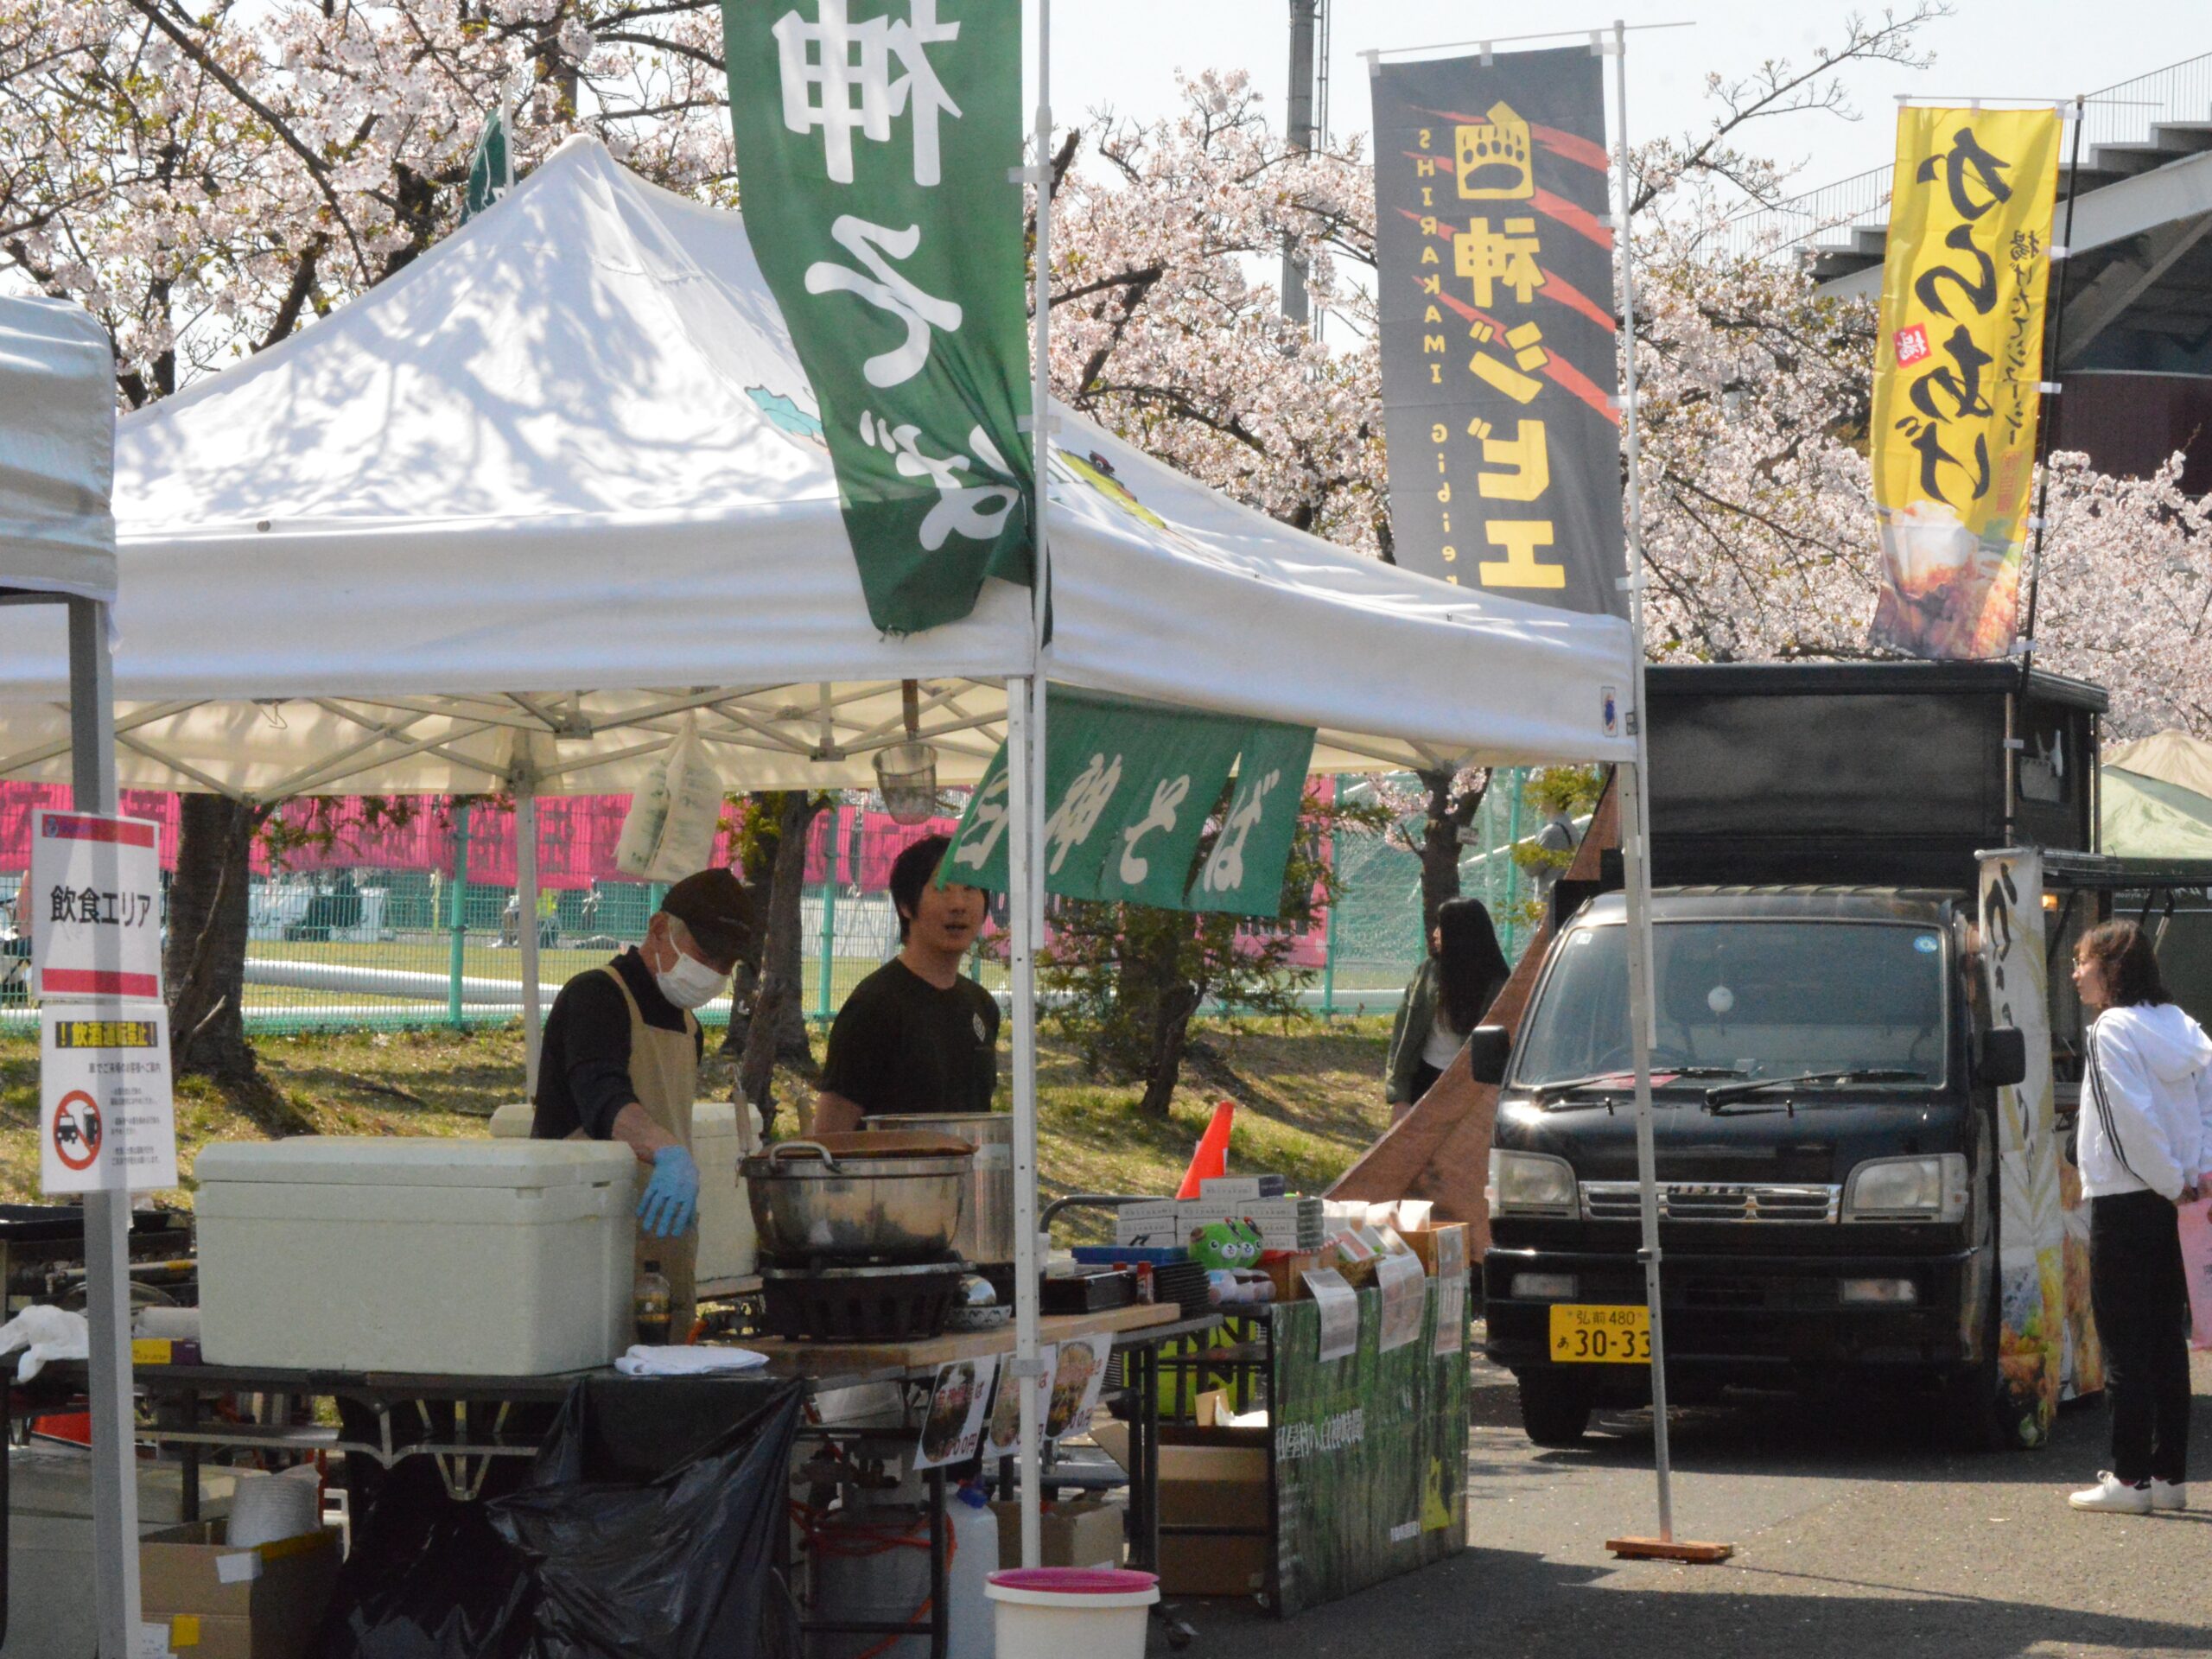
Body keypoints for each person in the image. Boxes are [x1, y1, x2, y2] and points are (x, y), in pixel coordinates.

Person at [531, 867, 753, 1338]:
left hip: (662, 1246)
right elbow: (603, 1097)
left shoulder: (690, 1027)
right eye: (706, 955)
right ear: (658, 929)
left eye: (727, 965)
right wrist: (666, 1151)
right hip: (585, 1239)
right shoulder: (596, 996)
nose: (715, 973)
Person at [2066, 920, 2212, 1516]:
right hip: (2182, 1202)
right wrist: (2192, 1177)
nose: (2075, 973)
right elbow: (2205, 1109)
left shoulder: (2110, 1029)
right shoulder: (2184, 1027)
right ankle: (2168, 1475)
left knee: (2124, 1342)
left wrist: (2170, 1180)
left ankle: (2128, 1481)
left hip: (2126, 1200)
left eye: (2083, 962)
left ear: (2113, 969)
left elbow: (2128, 1120)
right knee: (2165, 1339)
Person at [814, 834, 998, 1134]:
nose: (958, 904)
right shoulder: (874, 1006)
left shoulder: (982, 1005)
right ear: (905, 906)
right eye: (941, 888)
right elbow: (829, 1136)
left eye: (970, 888)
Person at [1386, 897, 1512, 1115]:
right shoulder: (1427, 971)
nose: (1435, 934)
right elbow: (1402, 1035)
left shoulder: (1498, 986)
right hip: (1423, 1079)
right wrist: (1399, 1095)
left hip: (1469, 1087)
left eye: (1442, 927)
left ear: (1461, 934)